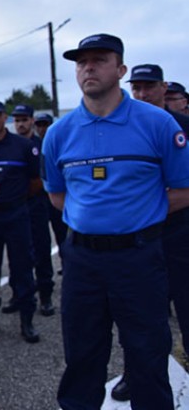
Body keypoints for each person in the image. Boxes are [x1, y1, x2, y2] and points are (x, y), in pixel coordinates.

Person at [43, 34, 189, 409]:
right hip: (82, 261)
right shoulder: (59, 133)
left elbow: (185, 188)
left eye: (99, 60)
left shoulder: (157, 124)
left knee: (147, 354)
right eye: (81, 62)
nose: (88, 67)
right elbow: (58, 197)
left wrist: (137, 215)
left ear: (121, 69)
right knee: (82, 356)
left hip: (138, 258)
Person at [109, 63, 189, 402]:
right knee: (136, 314)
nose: (142, 94)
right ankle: (133, 372)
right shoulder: (123, 127)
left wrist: (147, 210)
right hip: (137, 240)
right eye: (136, 87)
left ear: (164, 87)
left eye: (149, 87)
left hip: (179, 232)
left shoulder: (183, 126)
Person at [0, 101, 41, 343]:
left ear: (5, 117)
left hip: (16, 214)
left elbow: (36, 181)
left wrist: (16, 199)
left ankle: (27, 320)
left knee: (23, 267)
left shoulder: (23, 146)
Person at [10, 104, 56, 316]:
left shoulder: (41, 145)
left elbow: (41, 178)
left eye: (24, 120)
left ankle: (45, 295)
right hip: (16, 207)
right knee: (17, 254)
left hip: (36, 205)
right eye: (17, 120)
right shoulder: (12, 144)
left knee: (41, 249)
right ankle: (18, 294)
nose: (20, 124)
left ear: (31, 121)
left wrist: (22, 193)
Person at [34, 113, 69, 249]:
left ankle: (65, 263)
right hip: (40, 198)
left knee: (62, 233)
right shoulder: (32, 144)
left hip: (57, 194)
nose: (42, 128)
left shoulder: (58, 143)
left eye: (45, 124)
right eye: (39, 125)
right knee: (41, 238)